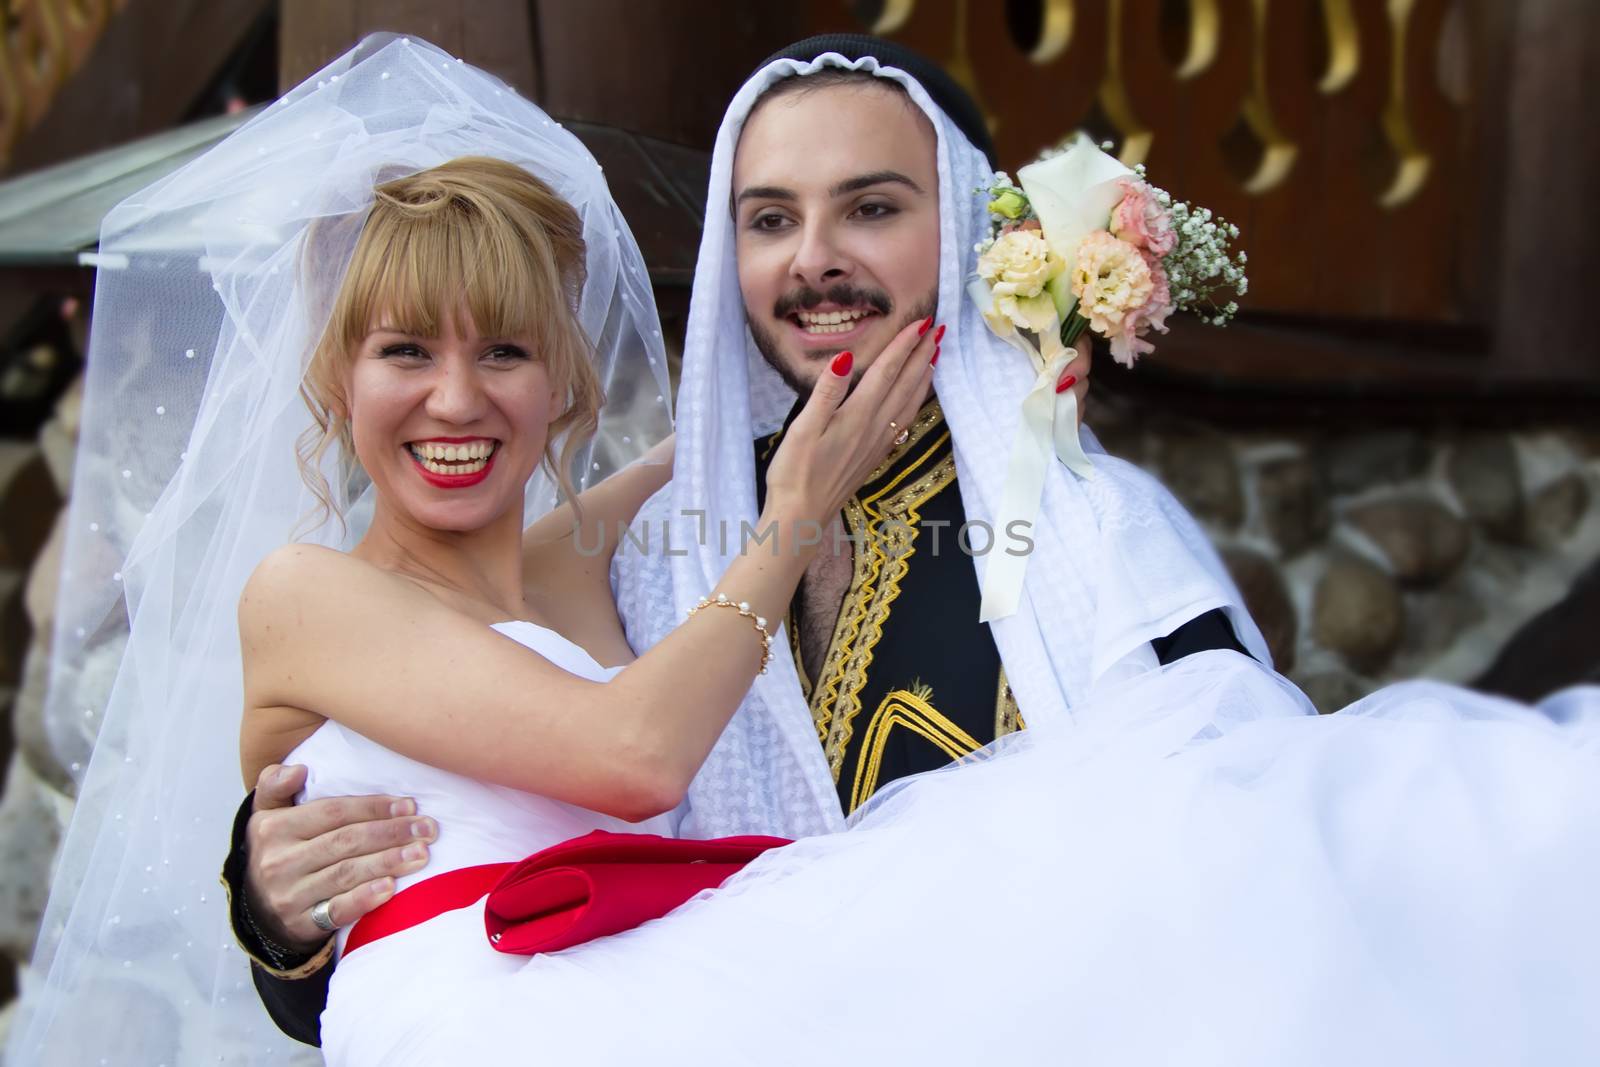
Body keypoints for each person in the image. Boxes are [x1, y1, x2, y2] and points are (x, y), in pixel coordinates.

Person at [229, 35, 1257, 1041]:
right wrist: (273, 900)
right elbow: (434, 871)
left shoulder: (1092, 529)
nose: (815, 259)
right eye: (770, 219)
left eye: (871, 207)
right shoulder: (652, 560)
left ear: (965, 232)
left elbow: (1235, 866)